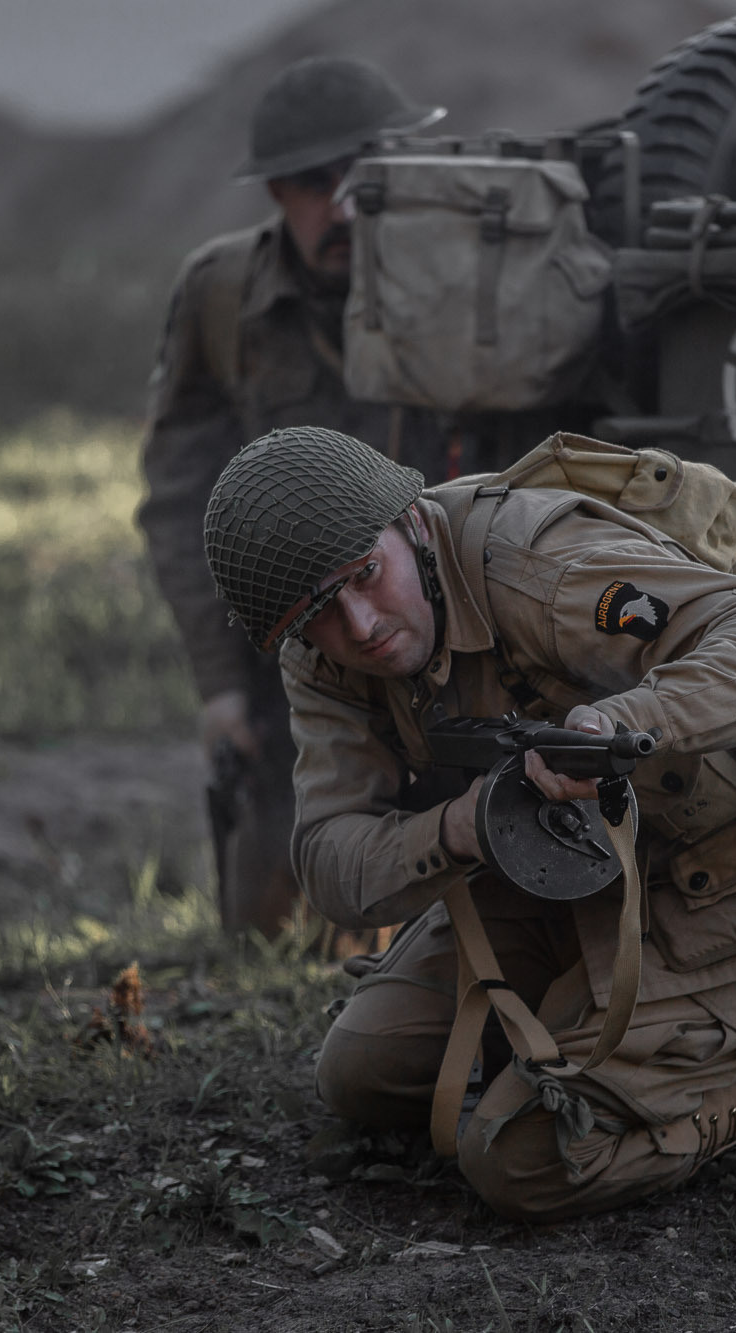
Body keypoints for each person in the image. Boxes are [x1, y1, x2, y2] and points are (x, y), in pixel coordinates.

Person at [202, 426, 736, 1223]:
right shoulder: (323, 658)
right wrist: (461, 827)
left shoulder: (538, 563)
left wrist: (623, 724)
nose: (358, 626)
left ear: (414, 525)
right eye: (317, 612)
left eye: (365, 575)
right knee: (362, 1072)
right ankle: (580, 1027)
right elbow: (329, 859)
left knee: (524, 1158)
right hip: (562, 868)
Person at [137, 56, 469, 934]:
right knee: (266, 925)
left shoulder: (465, 292)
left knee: (456, 912)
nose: (345, 206)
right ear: (276, 190)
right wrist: (219, 690)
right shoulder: (220, 296)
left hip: (448, 641)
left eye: (367, 174)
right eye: (315, 183)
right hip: (294, 655)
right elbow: (179, 496)